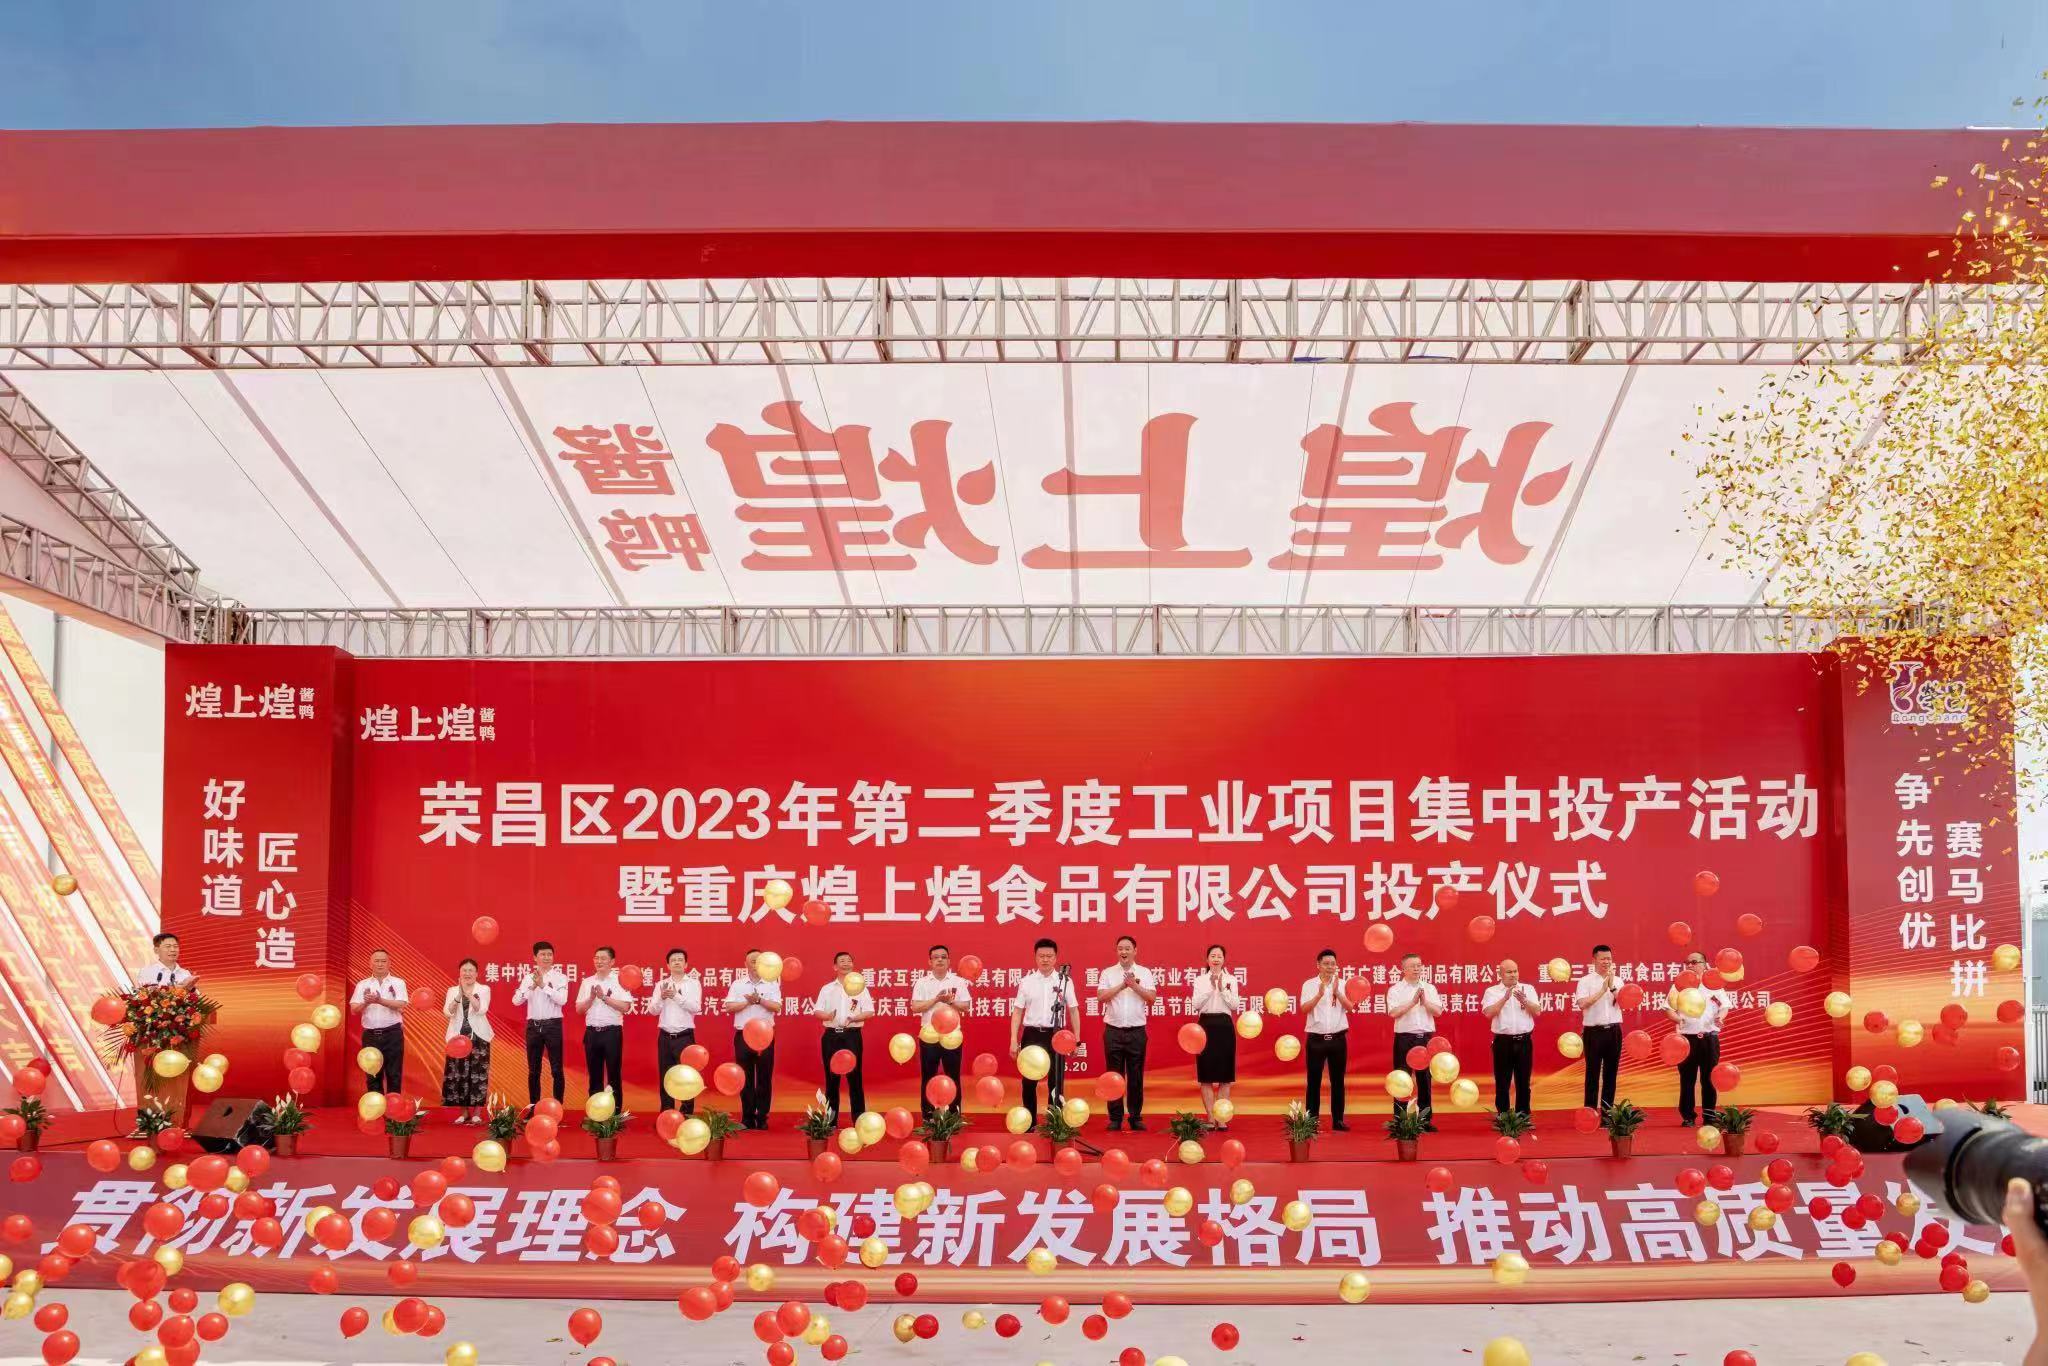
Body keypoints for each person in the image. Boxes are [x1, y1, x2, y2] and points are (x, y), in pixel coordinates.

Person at [1009, 936, 1079, 1127]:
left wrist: (1076, 1039)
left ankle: (1053, 1123)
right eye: (1041, 956)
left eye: (1049, 956)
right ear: (1035, 957)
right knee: (1028, 1081)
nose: (1045, 959)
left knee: (1056, 1081)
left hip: (1057, 1035)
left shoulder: (1065, 981)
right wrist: (1013, 1039)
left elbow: (1073, 1010)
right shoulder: (1027, 981)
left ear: (1056, 958)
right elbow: (1018, 1011)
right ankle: (1029, 1122)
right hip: (1032, 1034)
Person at [1096, 934, 1157, 1133]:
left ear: (1135, 951)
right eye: (1120, 948)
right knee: (1113, 1076)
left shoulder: (1144, 972)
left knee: (1135, 1076)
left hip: (1136, 1032)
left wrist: (1134, 985)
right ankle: (1115, 1118)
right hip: (1113, 1032)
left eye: (1127, 948)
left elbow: (1151, 998)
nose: (1124, 952)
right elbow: (1101, 997)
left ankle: (1135, 1117)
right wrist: (1122, 985)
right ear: (1117, 951)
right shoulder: (1108, 973)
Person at [814, 950, 877, 1123]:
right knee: (831, 1079)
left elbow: (870, 1011)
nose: (846, 963)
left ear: (853, 965)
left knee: (855, 1078)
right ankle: (830, 1121)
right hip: (831, 1036)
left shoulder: (861, 988)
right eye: (842, 961)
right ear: (835, 966)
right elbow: (817, 1010)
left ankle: (859, 1120)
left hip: (852, 1036)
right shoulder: (827, 989)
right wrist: (827, 1016)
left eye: (849, 960)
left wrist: (855, 1018)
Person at [1670, 949, 1731, 1126]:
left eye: (1694, 962)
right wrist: (1678, 1019)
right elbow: (1668, 1008)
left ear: (1705, 965)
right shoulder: (1678, 985)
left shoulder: (1714, 985)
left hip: (1709, 1039)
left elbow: (1724, 1006)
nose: (1690, 965)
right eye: (1687, 962)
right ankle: (1688, 1117)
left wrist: (1720, 1018)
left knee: (1709, 1079)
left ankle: (1709, 1116)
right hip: (1686, 1040)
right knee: (1687, 1080)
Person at [909, 944, 970, 1120]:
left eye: (943, 957)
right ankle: (928, 1116)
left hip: (952, 1036)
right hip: (929, 1036)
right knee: (928, 1076)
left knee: (953, 1076)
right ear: (930, 962)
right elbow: (915, 1007)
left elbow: (966, 1006)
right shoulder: (922, 982)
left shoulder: (958, 982)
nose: (940, 960)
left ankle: (954, 1116)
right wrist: (936, 999)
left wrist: (950, 1002)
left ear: (949, 961)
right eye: (936, 957)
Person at [725, 949, 783, 1129]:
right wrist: (747, 1002)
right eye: (752, 961)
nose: (756, 964)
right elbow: (729, 1007)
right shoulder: (738, 984)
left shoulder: (772, 983)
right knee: (745, 1077)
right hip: (743, 1035)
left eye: (759, 961)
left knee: (764, 1077)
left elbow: (777, 1007)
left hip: (765, 1036)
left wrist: (759, 1000)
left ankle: (762, 1117)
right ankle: (748, 1117)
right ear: (746, 964)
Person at [1387, 951, 1444, 1128]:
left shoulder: (1429, 988)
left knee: (1425, 1080)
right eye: (1412, 966)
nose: (1417, 969)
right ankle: (1400, 1120)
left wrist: (1424, 1002)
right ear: (1403, 969)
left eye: (1419, 965)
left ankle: (1425, 1120)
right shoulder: (1396, 989)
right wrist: (1412, 1002)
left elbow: (1438, 1011)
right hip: (1405, 1039)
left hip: (1425, 1039)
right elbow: (1393, 1012)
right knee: (1402, 1079)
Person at [511, 940, 569, 1112]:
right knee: (534, 1070)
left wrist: (543, 986)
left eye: (549, 954)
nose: (546, 957)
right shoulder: (528, 978)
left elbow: (562, 1000)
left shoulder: (560, 977)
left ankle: (557, 1109)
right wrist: (533, 986)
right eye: (543, 954)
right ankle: (533, 1108)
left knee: (556, 1069)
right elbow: (516, 1001)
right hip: (533, 1027)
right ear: (535, 958)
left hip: (553, 1026)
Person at [1481, 958, 1540, 1118]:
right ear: (1500, 974)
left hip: (1524, 1041)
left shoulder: (1528, 989)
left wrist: (1524, 1000)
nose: (1513, 975)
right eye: (1509, 972)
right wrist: (1505, 998)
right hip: (1503, 1042)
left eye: (1515, 971)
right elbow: (1488, 1013)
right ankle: (1504, 1117)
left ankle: (1523, 1116)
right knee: (1502, 1081)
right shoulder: (1492, 991)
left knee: (1523, 1082)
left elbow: (1537, 1011)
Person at [1190, 943, 1241, 1125]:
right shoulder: (1200, 980)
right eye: (1213, 956)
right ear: (1207, 959)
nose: (1216, 959)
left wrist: (1222, 989)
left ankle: (1222, 1118)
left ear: (1224, 960)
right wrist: (1211, 988)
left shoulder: (1231, 980)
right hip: (1205, 1026)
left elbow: (1234, 1005)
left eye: (1219, 956)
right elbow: (1196, 1004)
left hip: (1224, 1026)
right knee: (1206, 1076)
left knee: (1225, 1077)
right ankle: (1211, 1118)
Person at [575, 946, 633, 1103]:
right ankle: (595, 1111)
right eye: (596, 958)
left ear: (612, 962)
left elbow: (625, 1007)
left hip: (611, 1033)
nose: (599, 961)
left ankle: (615, 1112)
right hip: (592, 1033)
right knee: (594, 1076)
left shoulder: (620, 981)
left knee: (614, 1074)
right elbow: (579, 1009)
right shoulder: (587, 982)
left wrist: (604, 998)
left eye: (603, 958)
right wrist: (591, 998)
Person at [1301, 948, 1350, 1130]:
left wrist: (1338, 993)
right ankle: (1311, 1121)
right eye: (1326, 963)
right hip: (1316, 1040)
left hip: (1338, 1039)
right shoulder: (1309, 985)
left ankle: (1338, 1120)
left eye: (1333, 964)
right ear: (1318, 965)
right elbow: (1304, 1009)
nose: (1330, 967)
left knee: (1338, 1081)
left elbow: (1350, 1007)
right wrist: (1319, 995)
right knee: (1313, 1081)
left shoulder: (1343, 984)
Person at [440, 958, 492, 1126]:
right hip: (457, 1037)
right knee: (458, 1074)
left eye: (471, 971)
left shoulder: (483, 989)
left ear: (476, 974)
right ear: (460, 973)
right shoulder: (452, 990)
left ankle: (476, 1113)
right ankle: (463, 1113)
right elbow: (448, 1012)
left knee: (478, 1074)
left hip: (479, 1036)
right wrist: (458, 996)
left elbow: (481, 1009)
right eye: (464, 970)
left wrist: (469, 994)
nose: (467, 973)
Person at [348, 948, 408, 1094]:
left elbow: (401, 1004)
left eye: (383, 961)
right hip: (370, 1036)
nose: (380, 964)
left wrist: (380, 1000)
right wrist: (366, 1002)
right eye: (376, 961)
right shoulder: (362, 984)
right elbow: (354, 1009)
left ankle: (393, 1107)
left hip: (393, 1034)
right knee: (372, 1075)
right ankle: (376, 1106)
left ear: (389, 963)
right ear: (370, 964)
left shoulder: (398, 982)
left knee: (394, 1074)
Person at [652, 947, 702, 1116]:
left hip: (684, 1037)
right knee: (666, 1076)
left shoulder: (693, 984)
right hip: (665, 1036)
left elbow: (696, 1007)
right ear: (668, 965)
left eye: (680, 960)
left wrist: (676, 996)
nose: (677, 962)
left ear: (686, 964)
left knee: (687, 1076)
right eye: (673, 960)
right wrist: (662, 997)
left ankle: (686, 1115)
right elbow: (652, 1010)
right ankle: (667, 1114)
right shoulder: (660, 985)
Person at [1575, 944, 1624, 1113]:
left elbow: (1624, 1003)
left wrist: (1612, 987)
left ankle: (1607, 1113)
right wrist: (1602, 990)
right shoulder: (1585, 981)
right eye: (1603, 959)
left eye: (1609, 959)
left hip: (1614, 1031)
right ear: (1594, 960)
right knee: (1592, 1073)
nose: (1606, 962)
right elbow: (1582, 1004)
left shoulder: (1618, 981)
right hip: (1593, 1033)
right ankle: (1590, 1113)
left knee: (1611, 1074)